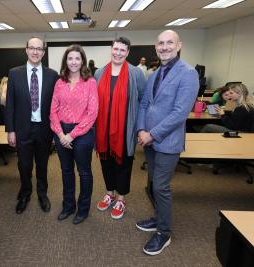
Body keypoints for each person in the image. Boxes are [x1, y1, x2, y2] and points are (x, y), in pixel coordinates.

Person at [136, 30, 199, 255]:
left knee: (161, 187)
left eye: (169, 43)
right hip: (150, 140)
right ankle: (157, 218)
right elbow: (144, 104)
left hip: (167, 142)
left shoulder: (188, 73)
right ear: (155, 47)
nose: (164, 47)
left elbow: (180, 113)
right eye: (160, 43)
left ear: (178, 45)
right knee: (154, 183)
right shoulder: (154, 73)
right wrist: (142, 129)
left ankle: (164, 233)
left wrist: (151, 134)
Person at [5, 37, 59, 214]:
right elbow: (10, 104)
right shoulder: (14, 73)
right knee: (24, 165)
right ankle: (26, 193)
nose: (36, 52)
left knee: (42, 165)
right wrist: (10, 130)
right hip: (22, 129)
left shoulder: (52, 75)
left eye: (39, 49)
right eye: (32, 48)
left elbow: (55, 105)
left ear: (43, 52)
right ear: (26, 50)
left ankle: (42, 194)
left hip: (44, 129)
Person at [95, 37, 146, 220]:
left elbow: (143, 101)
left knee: (123, 165)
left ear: (128, 52)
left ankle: (121, 199)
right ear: (111, 49)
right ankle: (110, 193)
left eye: (122, 50)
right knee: (105, 162)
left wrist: (140, 128)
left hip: (125, 130)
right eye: (116, 49)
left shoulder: (136, 73)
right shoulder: (100, 72)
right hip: (102, 130)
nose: (118, 53)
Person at [50, 45, 98, 225]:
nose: (74, 62)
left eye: (77, 58)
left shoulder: (90, 82)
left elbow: (92, 113)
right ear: (65, 61)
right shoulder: (59, 82)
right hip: (61, 131)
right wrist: (61, 134)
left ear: (82, 61)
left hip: (83, 133)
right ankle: (68, 206)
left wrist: (72, 135)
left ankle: (83, 209)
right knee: (66, 171)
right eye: (70, 58)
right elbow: (53, 110)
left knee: (84, 172)